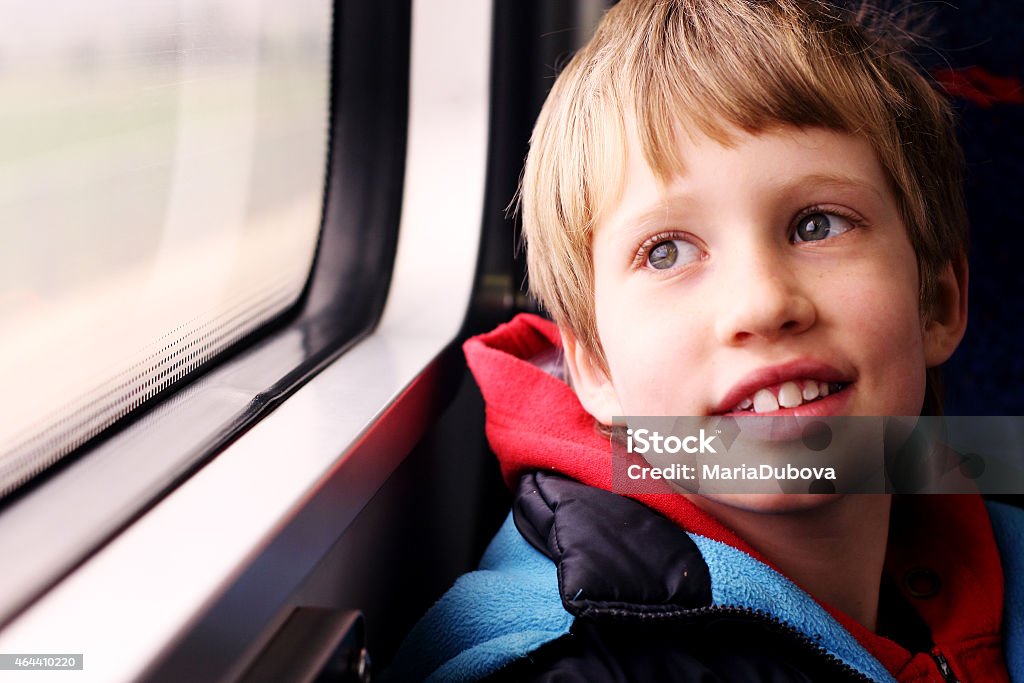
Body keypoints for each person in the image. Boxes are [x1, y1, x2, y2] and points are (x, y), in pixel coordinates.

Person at [388, 1, 1024, 680]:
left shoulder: (997, 551)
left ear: (938, 302)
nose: (762, 303)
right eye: (666, 252)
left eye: (818, 225)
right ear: (595, 366)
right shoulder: (574, 663)